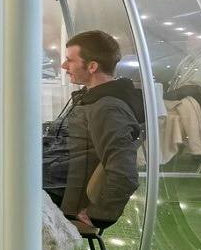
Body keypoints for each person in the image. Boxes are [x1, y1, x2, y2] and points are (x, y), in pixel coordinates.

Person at [43, 29, 142, 232]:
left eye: (70, 60)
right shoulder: (91, 99)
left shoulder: (107, 108)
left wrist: (100, 214)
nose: (63, 66)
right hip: (44, 181)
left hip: (52, 195)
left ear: (92, 66)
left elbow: (125, 172)